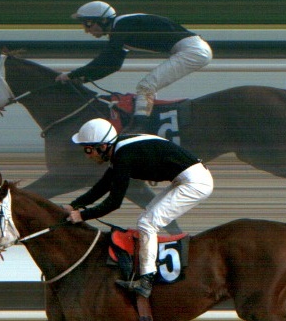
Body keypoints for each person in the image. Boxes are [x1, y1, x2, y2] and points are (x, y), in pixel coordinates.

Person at [62, 117, 213, 298]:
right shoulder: (120, 149)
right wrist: (74, 205)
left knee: (147, 223)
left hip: (195, 182)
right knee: (145, 220)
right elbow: (102, 186)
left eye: (88, 149)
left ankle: (146, 281)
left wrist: (82, 216)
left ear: (102, 146)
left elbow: (114, 203)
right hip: (188, 178)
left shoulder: (124, 156)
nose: (87, 155)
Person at [54, 1, 212, 117]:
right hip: (192, 48)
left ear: (103, 20)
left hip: (193, 50)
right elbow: (112, 65)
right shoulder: (122, 30)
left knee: (146, 86)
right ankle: (148, 119)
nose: (87, 30)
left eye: (88, 24)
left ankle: (140, 126)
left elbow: (105, 58)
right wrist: (82, 79)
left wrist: (72, 75)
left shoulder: (121, 26)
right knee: (148, 87)